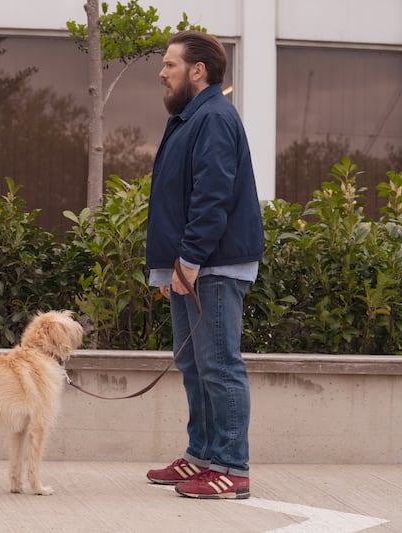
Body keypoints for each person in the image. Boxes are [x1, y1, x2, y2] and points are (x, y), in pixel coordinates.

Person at [144, 31, 264, 499]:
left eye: (170, 65)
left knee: (219, 365)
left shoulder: (213, 117)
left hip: (211, 266)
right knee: (195, 364)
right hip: (191, 266)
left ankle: (232, 468)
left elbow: (212, 196)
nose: (162, 72)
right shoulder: (192, 118)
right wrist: (167, 268)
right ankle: (202, 456)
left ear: (198, 71)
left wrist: (189, 260)